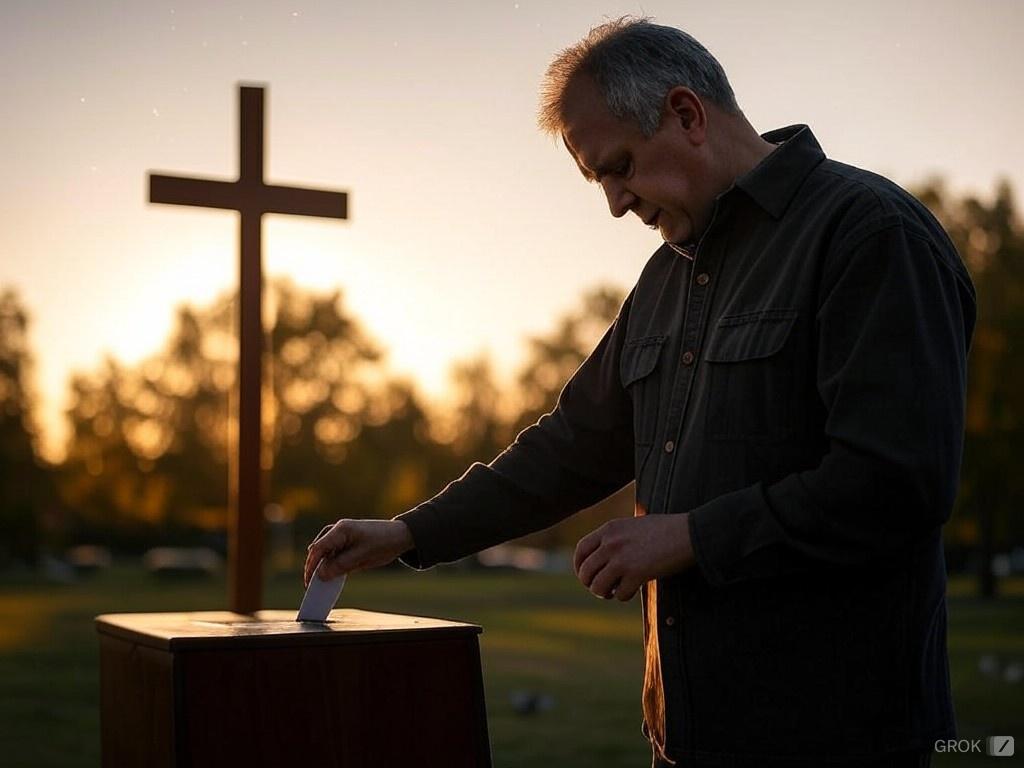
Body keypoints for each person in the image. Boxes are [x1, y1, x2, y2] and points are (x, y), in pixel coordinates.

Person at [304, 17, 974, 768]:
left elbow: (897, 482)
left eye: (620, 167)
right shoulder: (666, 277)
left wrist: (690, 536)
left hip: (836, 738)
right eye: (600, 180)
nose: (616, 204)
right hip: (685, 739)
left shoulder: (870, 234)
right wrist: (408, 533)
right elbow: (567, 448)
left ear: (686, 114)